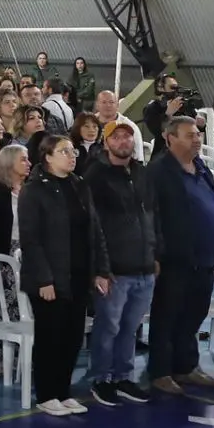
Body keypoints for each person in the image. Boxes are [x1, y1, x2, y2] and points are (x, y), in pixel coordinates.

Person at [17, 135, 111, 416]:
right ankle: (46, 394)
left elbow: (95, 230)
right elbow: (31, 239)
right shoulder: (34, 190)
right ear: (47, 157)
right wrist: (44, 279)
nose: (72, 156)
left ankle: (63, 391)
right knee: (51, 337)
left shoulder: (79, 185)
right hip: (50, 277)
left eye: (72, 151)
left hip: (78, 273)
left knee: (72, 337)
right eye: (64, 151)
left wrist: (101, 270)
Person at [146, 116, 214, 395]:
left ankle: (186, 366)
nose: (196, 139)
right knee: (167, 316)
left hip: (205, 257)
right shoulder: (159, 171)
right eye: (189, 135)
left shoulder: (201, 167)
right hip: (174, 257)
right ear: (169, 138)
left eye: (197, 134)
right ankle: (161, 371)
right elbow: (151, 215)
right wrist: (155, 254)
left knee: (194, 314)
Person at [83, 122, 156, 406]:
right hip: (114, 268)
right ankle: (101, 378)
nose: (124, 141)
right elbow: (92, 225)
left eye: (128, 135)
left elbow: (152, 215)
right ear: (106, 142)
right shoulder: (95, 176)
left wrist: (155, 254)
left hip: (144, 264)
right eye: (117, 136)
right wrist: (100, 268)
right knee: (108, 326)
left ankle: (124, 376)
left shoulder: (142, 173)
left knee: (131, 327)